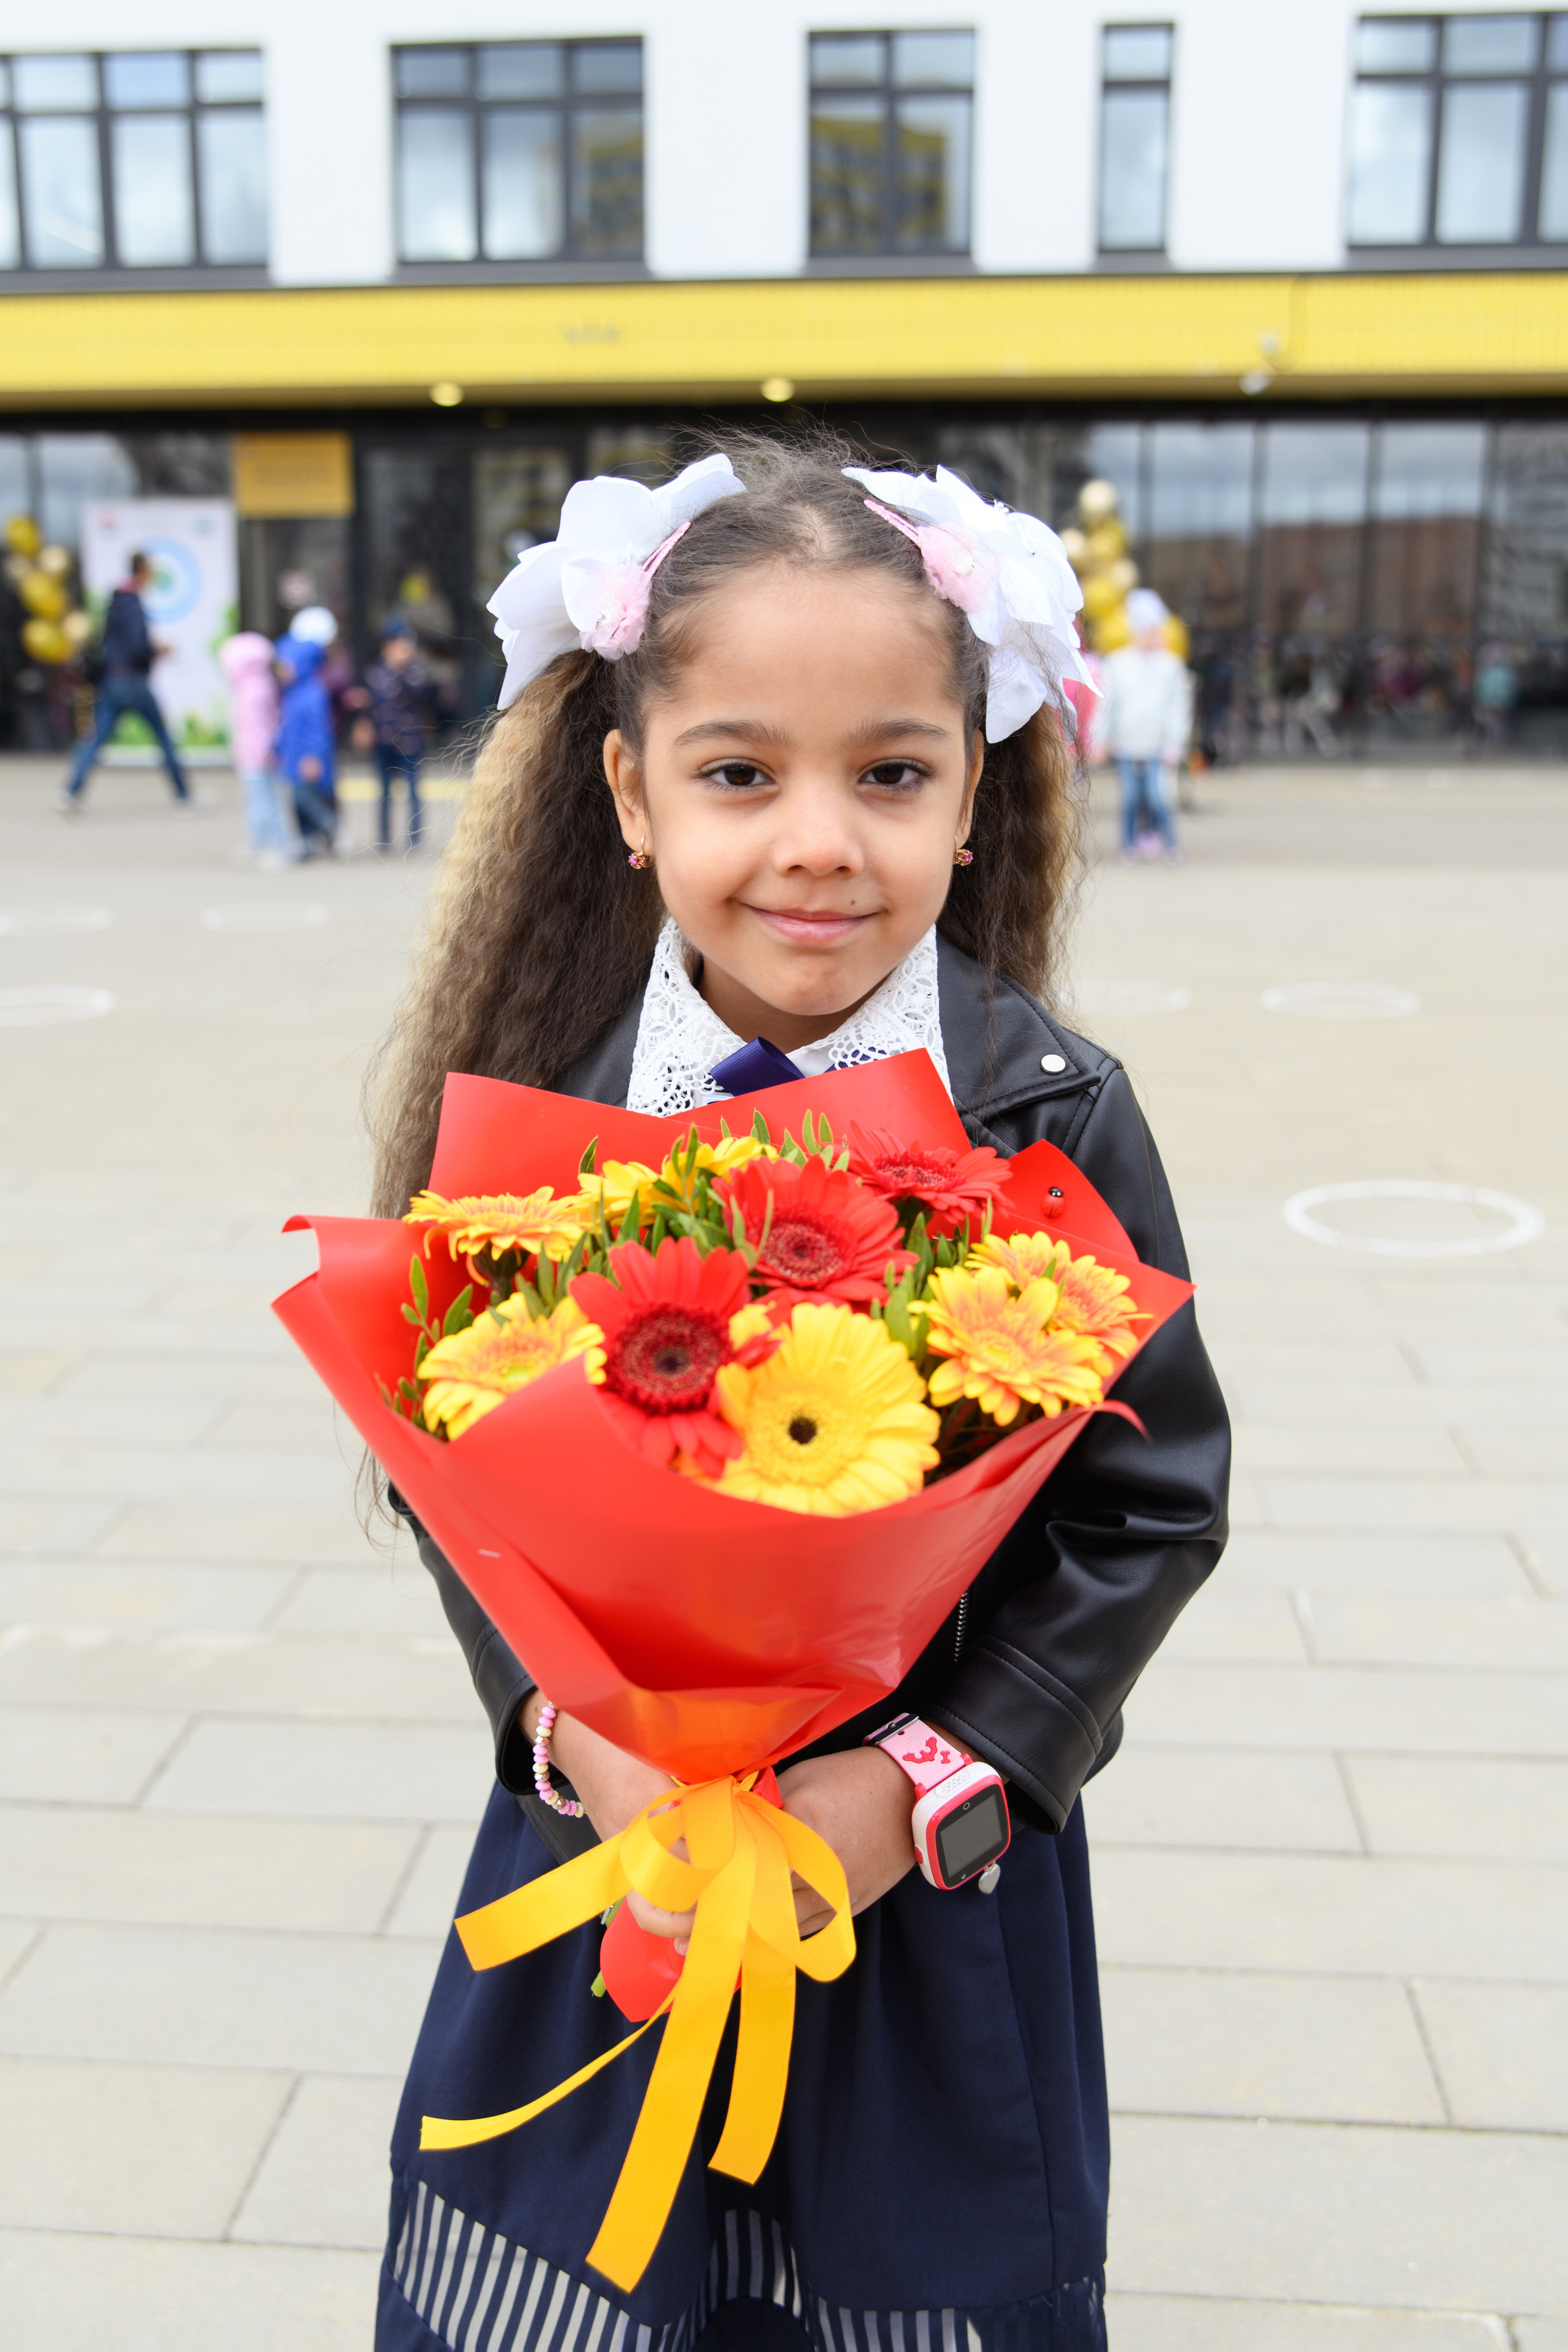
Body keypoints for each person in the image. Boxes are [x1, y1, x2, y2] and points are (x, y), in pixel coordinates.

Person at [365, 438, 1229, 2351]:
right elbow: (453, 1465)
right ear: (631, 793)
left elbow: (1151, 1500)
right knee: (569, 2286)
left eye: (891, 773)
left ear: (973, 791)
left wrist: (916, 1790)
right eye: (740, 772)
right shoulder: (545, 1114)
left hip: (924, 1904)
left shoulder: (1049, 1116)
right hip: (621, 1867)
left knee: (902, 2285)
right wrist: (563, 1731)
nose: (821, 840)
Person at [55, 551, 191, 812]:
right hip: (133, 682)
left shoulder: (116, 601)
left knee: (96, 739)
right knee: (163, 737)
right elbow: (138, 646)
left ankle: (70, 791)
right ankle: (184, 795)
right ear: (143, 571)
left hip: (112, 680)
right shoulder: (133, 604)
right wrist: (157, 651)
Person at [1098, 587, 1191, 864]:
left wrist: (1175, 743)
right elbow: (1108, 705)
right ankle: (1128, 846)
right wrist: (1102, 739)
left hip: (1157, 744)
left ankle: (1170, 845)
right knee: (1130, 798)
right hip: (1126, 743)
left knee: (1158, 797)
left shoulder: (1171, 666)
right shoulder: (1117, 664)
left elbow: (1178, 708)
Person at [220, 631, 297, 869]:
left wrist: (263, 750)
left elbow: (263, 725)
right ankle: (258, 842)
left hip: (258, 755)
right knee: (256, 801)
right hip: (251, 754)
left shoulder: (254, 690)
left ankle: (280, 847)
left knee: (266, 802)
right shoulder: (255, 686)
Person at [274, 606, 346, 858]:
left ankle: (331, 826)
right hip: (293, 757)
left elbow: (316, 730)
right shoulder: (292, 692)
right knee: (297, 801)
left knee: (305, 797)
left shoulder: (311, 693)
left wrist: (313, 756)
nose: (282, 670)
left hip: (306, 759)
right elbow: (286, 726)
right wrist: (277, 746)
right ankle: (307, 843)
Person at [363, 619, 436, 850]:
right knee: (384, 792)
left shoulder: (415, 671)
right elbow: (372, 703)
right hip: (383, 739)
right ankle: (385, 837)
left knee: (413, 790)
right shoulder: (376, 671)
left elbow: (421, 695)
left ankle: (415, 838)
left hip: (409, 740)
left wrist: (401, 670)